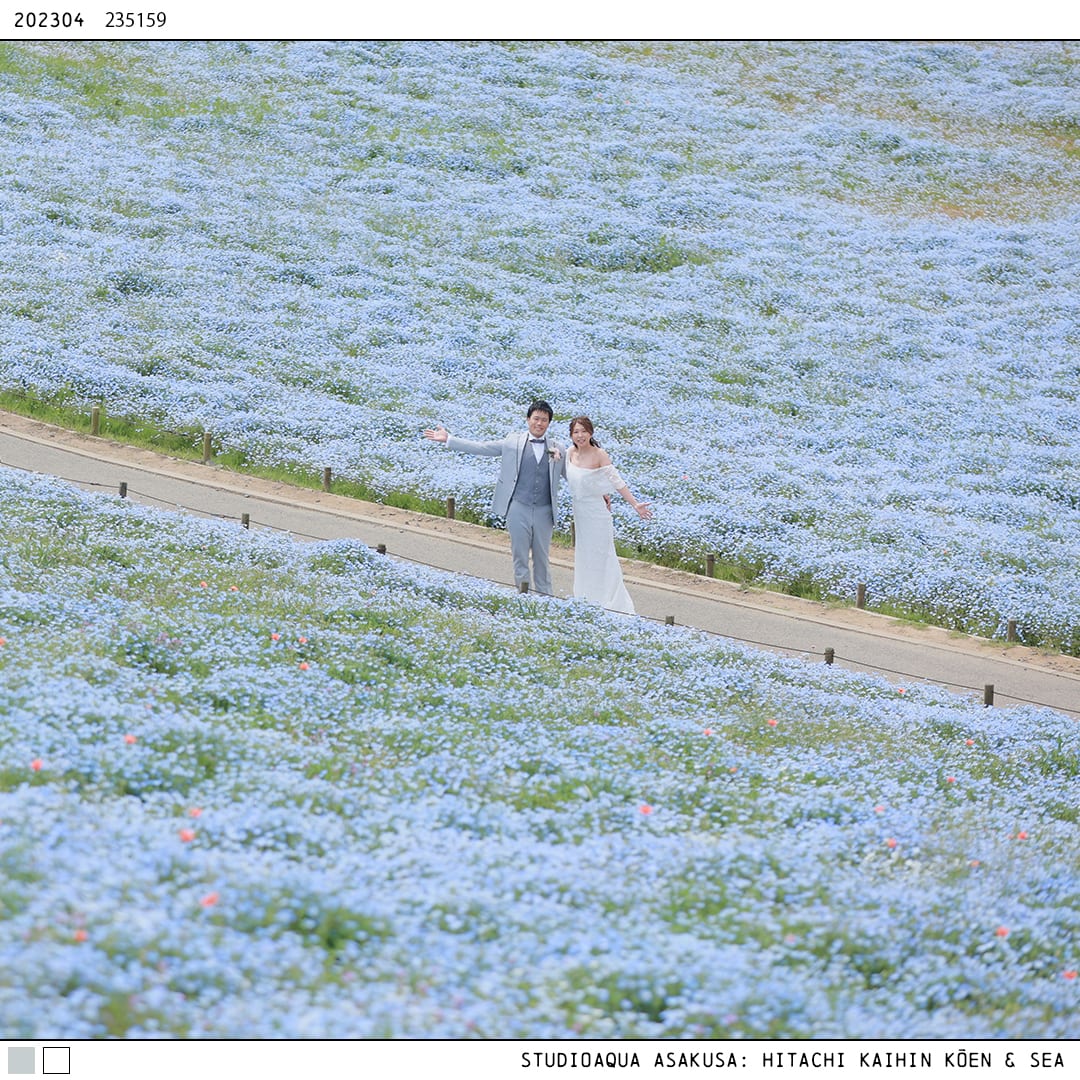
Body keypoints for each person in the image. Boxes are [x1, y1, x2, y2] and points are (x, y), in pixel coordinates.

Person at [423, 400, 564, 595]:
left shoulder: (558, 448)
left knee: (542, 559)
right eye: (536, 419)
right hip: (518, 507)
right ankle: (523, 599)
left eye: (544, 420)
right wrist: (450, 439)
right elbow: (483, 448)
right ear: (528, 419)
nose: (539, 423)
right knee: (520, 557)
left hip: (544, 510)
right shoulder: (512, 442)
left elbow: (574, 473)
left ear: (549, 423)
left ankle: (546, 600)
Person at [565, 416, 652, 614]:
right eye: (576, 432)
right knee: (584, 555)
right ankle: (585, 598)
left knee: (602, 555)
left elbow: (616, 481)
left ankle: (609, 601)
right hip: (580, 512)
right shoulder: (570, 452)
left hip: (597, 513)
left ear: (591, 433)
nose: (580, 435)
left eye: (584, 431)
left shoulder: (599, 454)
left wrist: (635, 504)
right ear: (571, 435)